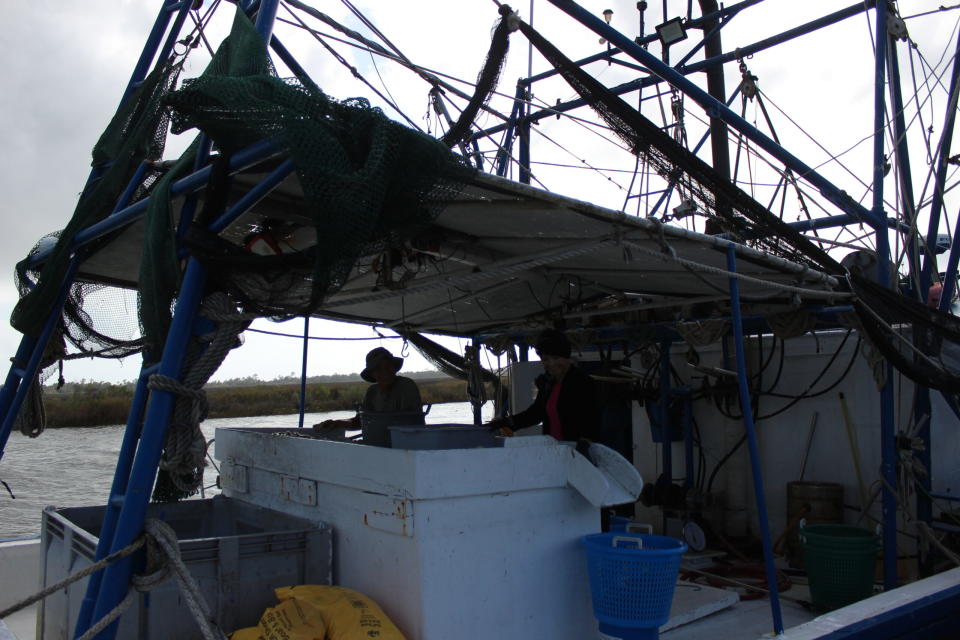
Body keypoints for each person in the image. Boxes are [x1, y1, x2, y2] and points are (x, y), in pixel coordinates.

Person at [487, 329, 600, 449]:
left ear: (567, 357)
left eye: (556, 358)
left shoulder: (583, 383)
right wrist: (506, 422)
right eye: (545, 359)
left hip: (578, 451)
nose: (551, 363)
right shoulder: (548, 385)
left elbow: (593, 420)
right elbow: (536, 414)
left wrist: (585, 443)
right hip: (554, 450)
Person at [314, 347, 422, 431]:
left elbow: (409, 421)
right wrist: (337, 423)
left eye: (388, 366)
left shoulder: (406, 386)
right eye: (378, 368)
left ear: (394, 367)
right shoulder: (372, 392)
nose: (385, 371)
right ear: (372, 374)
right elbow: (360, 422)